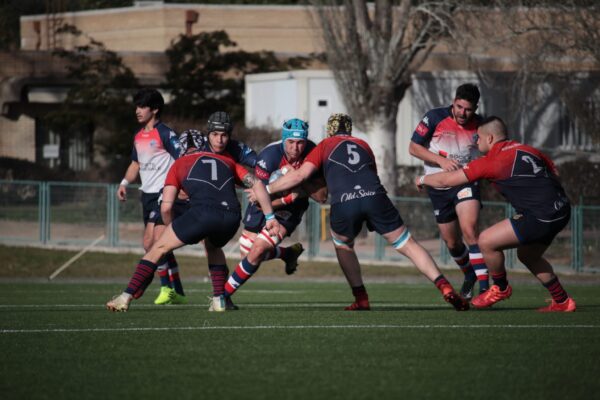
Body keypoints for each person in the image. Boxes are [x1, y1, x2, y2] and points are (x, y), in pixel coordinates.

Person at [266, 113, 469, 311]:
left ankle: (361, 298)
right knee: (408, 244)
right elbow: (370, 174)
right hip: (376, 196)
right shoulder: (363, 145)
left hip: (345, 201)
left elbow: (300, 177)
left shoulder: (324, 145)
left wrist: (265, 191)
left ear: (329, 132)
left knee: (343, 244)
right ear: (350, 130)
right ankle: (445, 286)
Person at [106, 112, 281, 312]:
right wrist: (270, 217)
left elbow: (166, 206)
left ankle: (125, 296)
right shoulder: (228, 161)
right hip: (232, 216)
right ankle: (219, 300)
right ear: (204, 142)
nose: (220, 140)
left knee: (157, 248)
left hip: (202, 213)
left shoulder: (179, 164)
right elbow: (257, 184)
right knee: (214, 248)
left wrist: (171, 226)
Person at [415, 116, 576, 312]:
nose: (476, 142)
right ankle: (562, 301)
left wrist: (423, 178)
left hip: (540, 216)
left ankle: (500, 288)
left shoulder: (491, 162)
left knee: (486, 241)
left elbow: (446, 180)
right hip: (562, 210)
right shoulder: (528, 149)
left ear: (490, 138)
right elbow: (555, 172)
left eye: (478, 138)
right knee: (528, 255)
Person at [217, 118, 327, 308]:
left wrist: (299, 178)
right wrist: (286, 197)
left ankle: (222, 297)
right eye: (291, 142)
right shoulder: (269, 156)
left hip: (291, 210)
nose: (296, 148)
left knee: (258, 250)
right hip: (266, 201)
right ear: (283, 140)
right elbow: (260, 202)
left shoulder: (312, 152)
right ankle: (287, 254)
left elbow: (322, 196)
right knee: (249, 256)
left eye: (300, 142)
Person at [409, 83, 490, 299]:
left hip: (465, 182)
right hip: (438, 185)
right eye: (459, 107)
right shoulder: (434, 117)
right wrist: (440, 161)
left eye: (468, 109)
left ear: (475, 108)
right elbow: (413, 147)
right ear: (453, 102)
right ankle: (469, 274)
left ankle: (485, 289)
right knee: (452, 242)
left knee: (470, 230)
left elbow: (492, 151)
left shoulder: (481, 125)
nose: (463, 113)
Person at [116, 88, 187, 305]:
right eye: (136, 106)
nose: (137, 111)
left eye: (142, 106)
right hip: (146, 195)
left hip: (163, 194)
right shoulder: (139, 136)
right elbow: (135, 164)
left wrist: (181, 186)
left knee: (151, 242)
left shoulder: (166, 133)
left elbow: (182, 159)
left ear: (154, 109)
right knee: (155, 244)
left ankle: (162, 288)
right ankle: (177, 291)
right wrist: (124, 183)